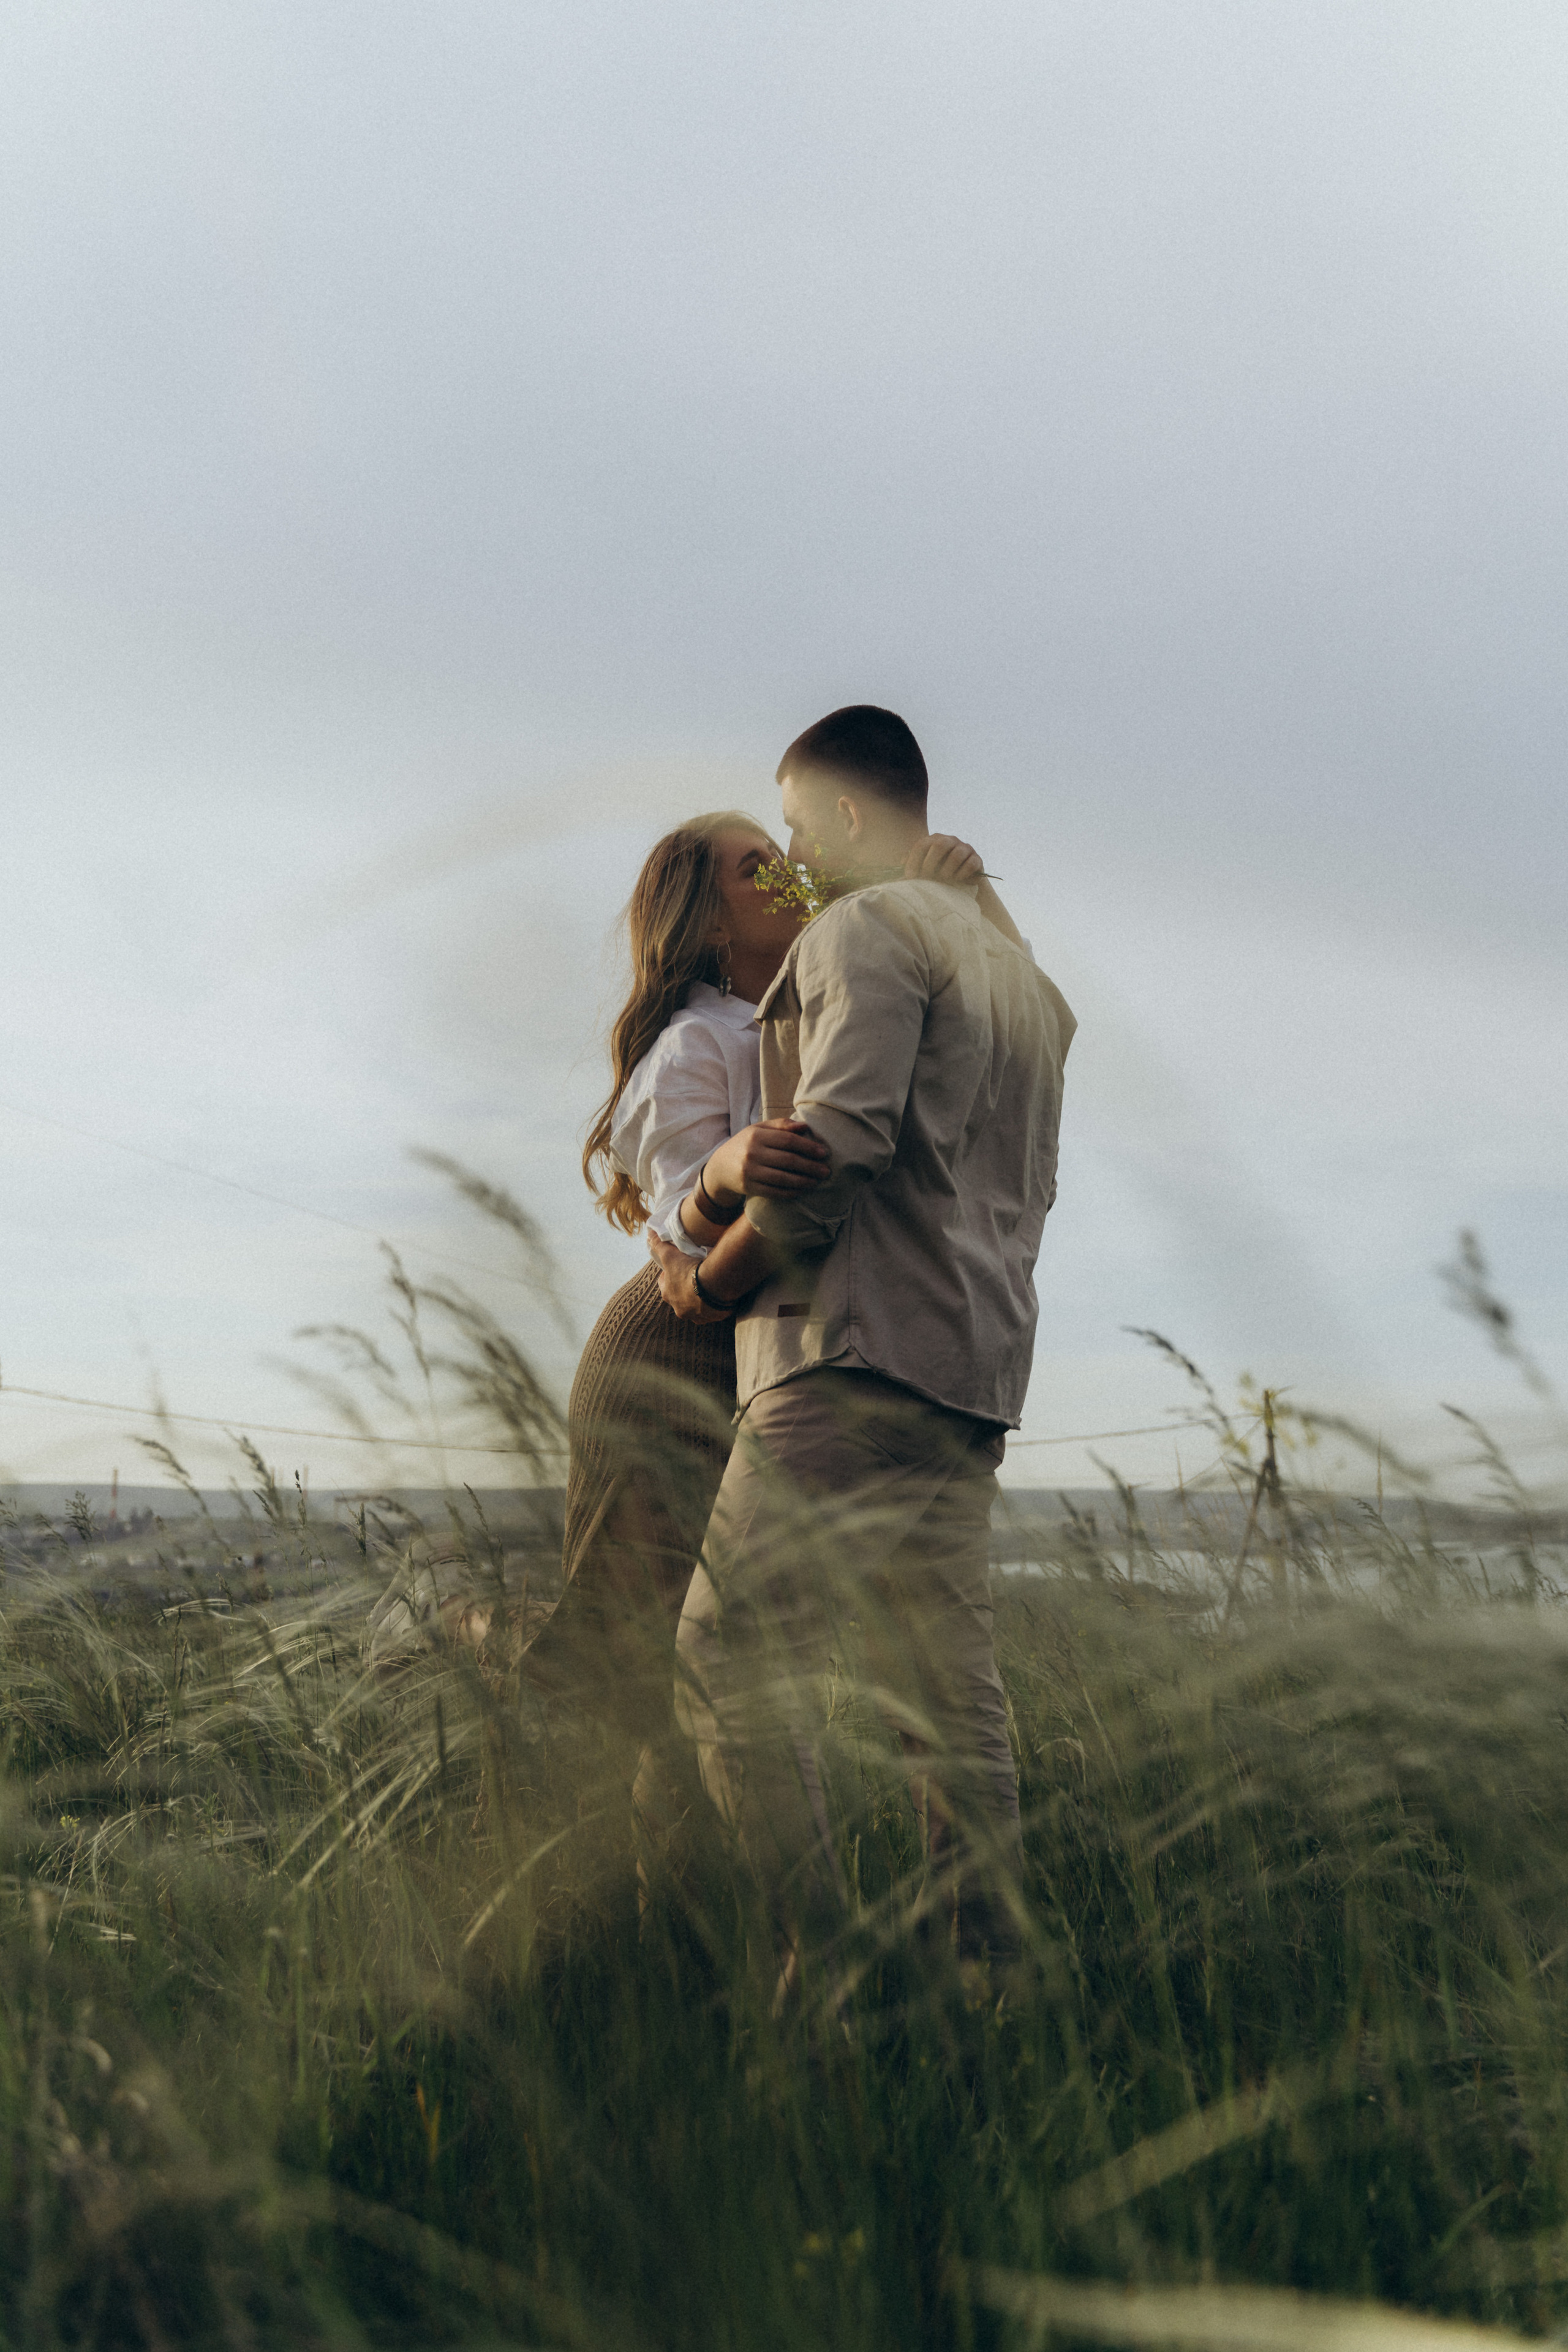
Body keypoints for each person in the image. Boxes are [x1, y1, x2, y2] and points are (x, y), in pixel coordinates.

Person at [647, 706, 1075, 1990]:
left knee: (726, 1662)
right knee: (946, 1697)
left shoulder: (863, 929)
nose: (789, 855)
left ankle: (823, 1972)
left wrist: (705, 1285)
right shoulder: (1023, 983)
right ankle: (985, 1980)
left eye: (793, 825)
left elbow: (829, 1158)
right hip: (973, 1368)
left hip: (848, 1355)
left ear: (841, 813)